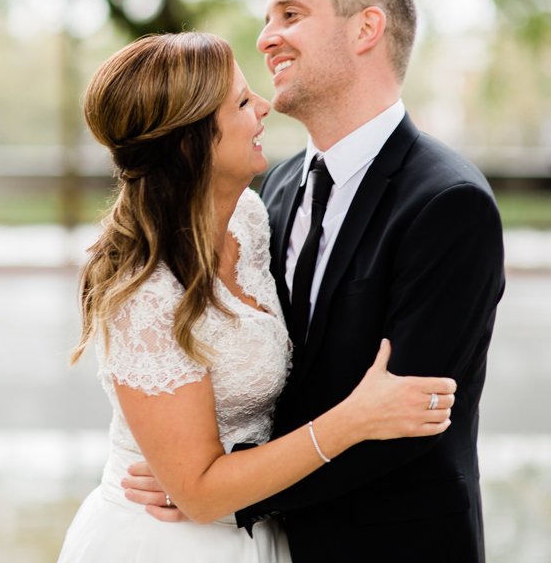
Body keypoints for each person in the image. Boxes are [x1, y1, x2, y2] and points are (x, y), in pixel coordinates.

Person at [123, 0, 506, 562]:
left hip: (395, 546)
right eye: (268, 19)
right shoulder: (270, 186)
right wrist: (197, 472)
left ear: (366, 29)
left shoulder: (448, 202)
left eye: (290, 15)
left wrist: (220, 491)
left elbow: (408, 418)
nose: (266, 37)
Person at [56, 31, 458, 562]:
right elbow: (198, 492)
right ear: (188, 142)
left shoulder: (249, 219)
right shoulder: (146, 296)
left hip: (259, 532)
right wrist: (356, 418)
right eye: (243, 103)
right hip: (166, 541)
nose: (265, 106)